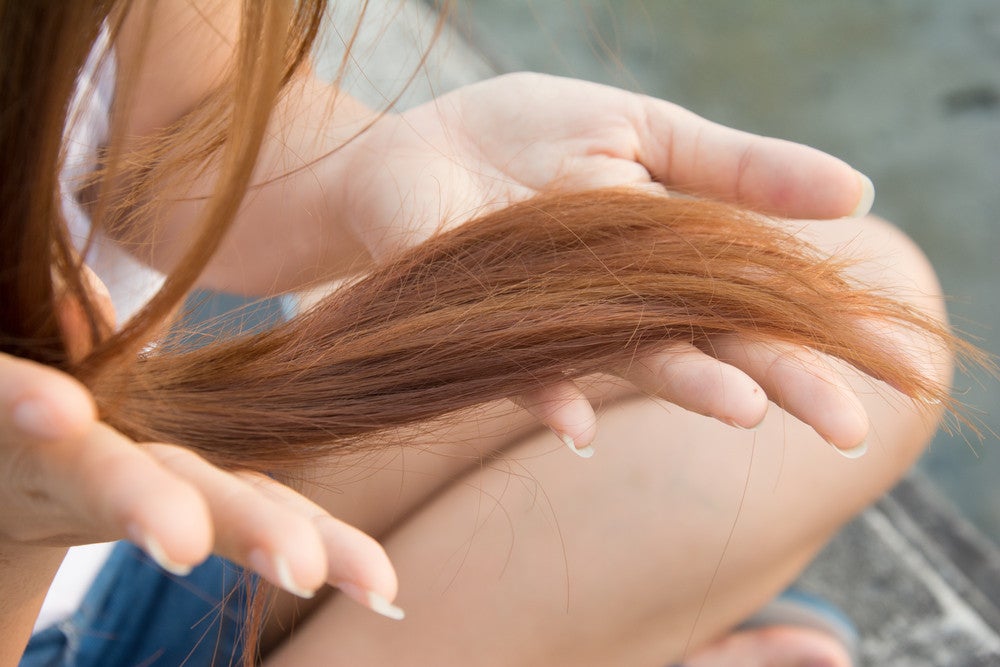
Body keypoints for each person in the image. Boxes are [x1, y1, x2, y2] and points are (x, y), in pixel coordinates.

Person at [0, 1, 951, 665]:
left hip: (126, 507)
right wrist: (21, 533)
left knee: (854, 309)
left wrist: (366, 172)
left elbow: (162, 129)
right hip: (39, 559)